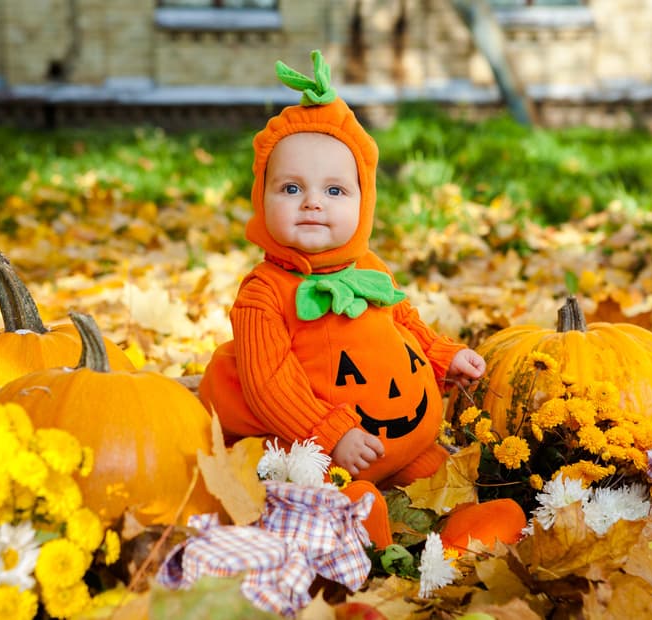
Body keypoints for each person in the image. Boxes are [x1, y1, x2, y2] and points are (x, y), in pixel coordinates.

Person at [200, 50, 485, 499]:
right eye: (291, 188)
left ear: (362, 202)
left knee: (453, 487)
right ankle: (355, 527)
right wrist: (329, 432)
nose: (312, 202)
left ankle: (464, 531)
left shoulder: (370, 268)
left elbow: (404, 323)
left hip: (408, 443)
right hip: (321, 454)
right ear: (262, 198)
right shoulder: (263, 294)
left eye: (334, 190)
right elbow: (269, 385)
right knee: (317, 492)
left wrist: (443, 356)